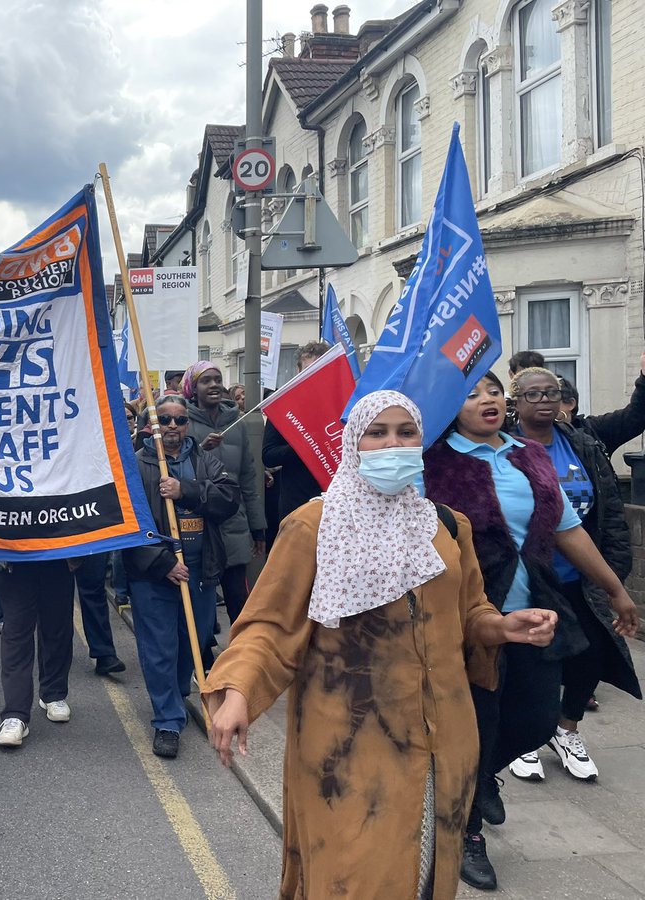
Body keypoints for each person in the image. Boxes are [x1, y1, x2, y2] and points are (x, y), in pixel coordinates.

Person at [205, 390, 559, 900]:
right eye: (377, 433)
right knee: (354, 877)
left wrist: (501, 627)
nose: (393, 444)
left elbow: (470, 613)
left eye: (405, 432)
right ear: (353, 443)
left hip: (445, 740)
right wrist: (237, 689)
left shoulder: (446, 526)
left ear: (421, 440)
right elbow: (267, 626)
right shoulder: (314, 526)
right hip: (349, 749)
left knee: (427, 874)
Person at [422, 370, 639, 891]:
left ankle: (482, 778)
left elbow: (567, 529)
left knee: (538, 722)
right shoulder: (433, 462)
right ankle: (468, 830)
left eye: (493, 390)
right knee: (478, 724)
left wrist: (615, 589)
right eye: (472, 395)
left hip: (535, 614)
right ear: (453, 406)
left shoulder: (528, 455)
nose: (487, 400)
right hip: (469, 620)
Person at [506, 367, 641, 782]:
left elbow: (608, 513)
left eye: (552, 392)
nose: (544, 400)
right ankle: (525, 738)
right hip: (531, 576)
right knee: (532, 660)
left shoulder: (585, 441)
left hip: (582, 576)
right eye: (533, 394)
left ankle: (567, 730)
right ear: (516, 403)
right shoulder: (502, 448)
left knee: (591, 655)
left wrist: (613, 573)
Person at [125, 395, 239, 758]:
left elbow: (227, 499)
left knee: (195, 638)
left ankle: (176, 694)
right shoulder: (134, 466)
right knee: (159, 647)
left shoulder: (205, 460)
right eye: (164, 420)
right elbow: (127, 526)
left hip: (201, 571)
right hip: (155, 575)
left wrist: (185, 490)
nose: (172, 427)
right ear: (149, 426)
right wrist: (162, 564)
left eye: (179, 420)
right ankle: (167, 720)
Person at [182, 361, 267, 630]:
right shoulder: (181, 421)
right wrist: (201, 451)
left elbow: (248, 480)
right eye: (206, 381)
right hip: (198, 526)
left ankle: (242, 660)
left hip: (233, 524)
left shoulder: (238, 424)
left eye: (218, 379)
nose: (215, 385)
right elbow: (177, 475)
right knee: (201, 604)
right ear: (193, 389)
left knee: (239, 602)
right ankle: (203, 661)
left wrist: (258, 529)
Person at [0, 559, 76, 748]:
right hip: (11, 555)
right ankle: (15, 713)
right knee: (16, 631)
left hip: (57, 552)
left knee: (57, 625)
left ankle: (53, 693)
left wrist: (81, 550)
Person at [262, 341, 330, 526]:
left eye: (320, 368)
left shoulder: (342, 404)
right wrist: (303, 445)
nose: (314, 375)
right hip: (295, 502)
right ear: (298, 371)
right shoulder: (284, 407)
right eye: (308, 369)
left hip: (334, 501)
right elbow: (268, 456)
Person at [557, 353, 645, 456]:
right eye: (534, 395)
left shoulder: (592, 430)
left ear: (571, 404)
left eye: (551, 396)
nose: (543, 402)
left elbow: (635, 416)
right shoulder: (536, 437)